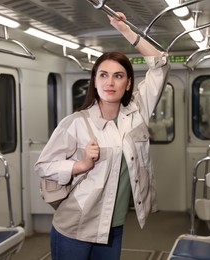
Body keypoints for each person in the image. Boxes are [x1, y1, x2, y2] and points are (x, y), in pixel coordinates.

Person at [34, 11, 170, 260]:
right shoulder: (75, 123)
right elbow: (43, 166)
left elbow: (160, 64)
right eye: (103, 75)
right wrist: (81, 164)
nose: (110, 82)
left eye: (118, 76)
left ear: (128, 83)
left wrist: (125, 30)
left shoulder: (137, 114)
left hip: (112, 226)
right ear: (94, 82)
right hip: (74, 227)